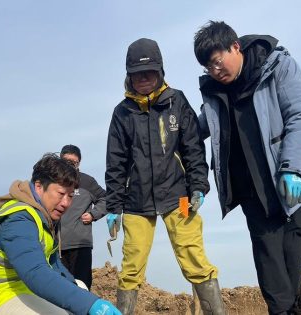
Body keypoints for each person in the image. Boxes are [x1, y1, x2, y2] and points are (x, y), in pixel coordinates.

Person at [193, 21, 301, 315]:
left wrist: (292, 168)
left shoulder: (278, 66)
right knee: (267, 256)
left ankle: (291, 307)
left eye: (216, 62)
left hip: (288, 178)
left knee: (293, 246)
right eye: (207, 67)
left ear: (234, 46)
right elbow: (198, 128)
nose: (214, 71)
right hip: (249, 187)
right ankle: (283, 311)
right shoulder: (214, 90)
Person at [105, 38, 225, 315]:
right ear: (129, 75)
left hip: (180, 197)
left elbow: (193, 148)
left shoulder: (177, 102)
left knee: (193, 256)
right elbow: (116, 164)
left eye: (149, 72)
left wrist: (198, 187)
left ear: (160, 72)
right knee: (131, 266)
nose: (144, 78)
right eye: (137, 73)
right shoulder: (122, 113)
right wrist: (113, 206)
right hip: (136, 203)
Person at [0, 154, 121, 315]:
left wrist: (84, 297)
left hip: (19, 287)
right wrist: (90, 304)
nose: (65, 203)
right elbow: (36, 272)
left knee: (80, 286)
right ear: (38, 186)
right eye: (60, 193)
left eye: (70, 196)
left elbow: (53, 264)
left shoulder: (44, 217)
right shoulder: (18, 219)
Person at [58, 144, 107, 290]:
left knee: (82, 286)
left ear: (79, 163)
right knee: (60, 288)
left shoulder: (86, 181)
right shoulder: (52, 182)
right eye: (66, 161)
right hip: (56, 246)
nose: (70, 165)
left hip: (80, 244)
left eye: (74, 162)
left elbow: (107, 199)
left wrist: (93, 214)